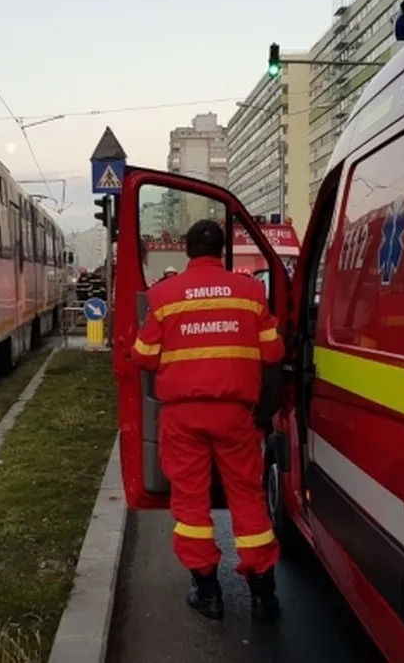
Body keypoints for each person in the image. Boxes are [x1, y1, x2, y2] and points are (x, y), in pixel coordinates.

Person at [129, 219, 285, 623]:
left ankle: (209, 593)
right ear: (221, 250)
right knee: (248, 499)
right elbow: (273, 352)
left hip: (183, 418)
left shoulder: (163, 296)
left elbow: (143, 355)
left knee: (191, 503)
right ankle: (263, 595)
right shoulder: (252, 292)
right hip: (236, 415)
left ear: (187, 251)